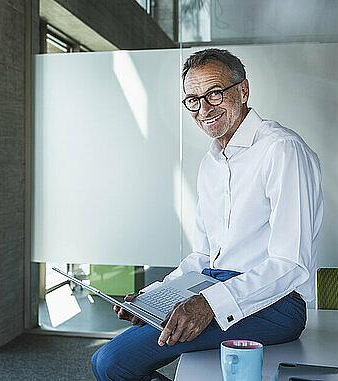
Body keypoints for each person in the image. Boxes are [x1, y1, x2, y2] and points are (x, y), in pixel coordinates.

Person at [91, 49, 323, 381]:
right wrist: (157, 292)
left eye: (214, 93)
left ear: (243, 91)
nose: (204, 109)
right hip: (214, 286)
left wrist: (209, 304)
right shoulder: (211, 163)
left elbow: (290, 265)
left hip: (277, 304)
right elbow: (204, 255)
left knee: (112, 363)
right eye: (193, 100)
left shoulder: (282, 151)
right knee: (108, 362)